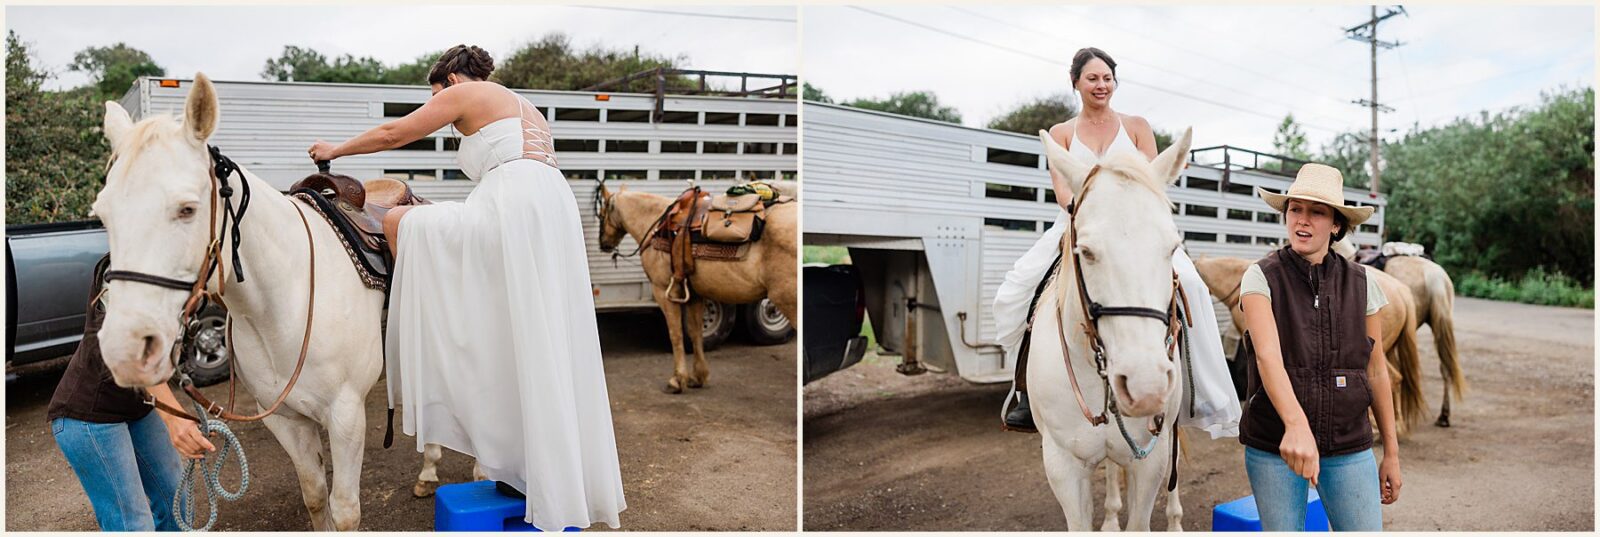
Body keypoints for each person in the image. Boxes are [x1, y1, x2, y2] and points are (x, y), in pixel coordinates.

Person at [307, 44, 625, 530]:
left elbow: (397, 131)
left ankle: (402, 312)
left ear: (450, 83)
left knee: (397, 220)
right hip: (547, 209)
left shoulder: (468, 91)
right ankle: (532, 461)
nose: (444, 113)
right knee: (532, 334)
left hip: (513, 203)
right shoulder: (523, 106)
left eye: (437, 97)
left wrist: (335, 150)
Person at [993, 47, 1240, 440]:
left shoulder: (1138, 126)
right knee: (1016, 293)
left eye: (1107, 78)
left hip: (1138, 227)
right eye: (1092, 78)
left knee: (1191, 285)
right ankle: (1024, 389)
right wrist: (1098, 213)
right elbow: (1063, 193)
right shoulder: (1061, 134)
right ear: (1075, 83)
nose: (1101, 85)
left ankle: (1197, 389)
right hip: (1080, 224)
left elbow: (1152, 183)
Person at [1238, 163, 1402, 530]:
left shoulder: (1363, 283)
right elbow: (1268, 358)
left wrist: (1391, 451)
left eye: (1317, 211)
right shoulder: (1260, 277)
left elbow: (1375, 370)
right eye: (1296, 208)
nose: (1303, 220)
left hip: (1348, 445)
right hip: (1275, 444)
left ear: (1337, 225)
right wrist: (1295, 426)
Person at [48, 255, 216, 531]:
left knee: (177, 504)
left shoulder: (179, 267)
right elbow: (133, 348)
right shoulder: (120, 270)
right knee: (132, 524)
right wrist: (175, 419)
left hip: (137, 406)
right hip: (89, 415)